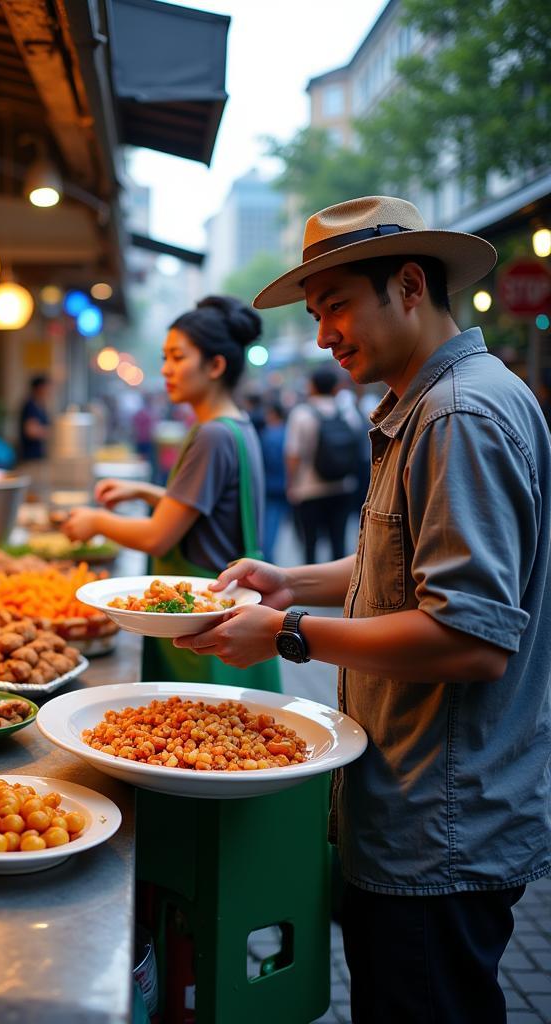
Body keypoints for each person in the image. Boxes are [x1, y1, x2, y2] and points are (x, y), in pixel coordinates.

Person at [175, 196, 551, 1024]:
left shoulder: (461, 413)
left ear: (410, 284)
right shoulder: (428, 403)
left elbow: (468, 635)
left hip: (443, 823)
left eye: (336, 305)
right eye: (315, 314)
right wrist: (291, 583)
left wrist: (288, 633)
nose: (321, 336)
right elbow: (404, 571)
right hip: (415, 811)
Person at [60, 296, 279, 690]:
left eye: (177, 357)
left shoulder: (211, 435)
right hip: (217, 608)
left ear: (215, 365)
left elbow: (158, 536)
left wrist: (96, 521)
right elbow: (209, 515)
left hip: (198, 618)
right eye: (164, 357)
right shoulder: (237, 426)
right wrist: (146, 493)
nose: (165, 370)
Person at [285, 365, 362, 562]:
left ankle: (311, 591)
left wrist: (291, 484)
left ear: (312, 386)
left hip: (309, 490)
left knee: (309, 545)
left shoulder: (301, 414)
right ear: (336, 387)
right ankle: (339, 592)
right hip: (342, 486)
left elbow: (293, 454)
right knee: (339, 543)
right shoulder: (348, 412)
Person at [259, 398, 288, 564]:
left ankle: (267, 558)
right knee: (277, 525)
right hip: (283, 485)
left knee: (269, 525)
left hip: (270, 486)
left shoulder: (267, 435)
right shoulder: (286, 432)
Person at [18, 374, 51, 460]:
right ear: (40, 388)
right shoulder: (30, 405)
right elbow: (30, 431)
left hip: (39, 453)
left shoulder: (40, 405)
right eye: (47, 387)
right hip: (31, 454)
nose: (49, 390)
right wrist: (52, 433)